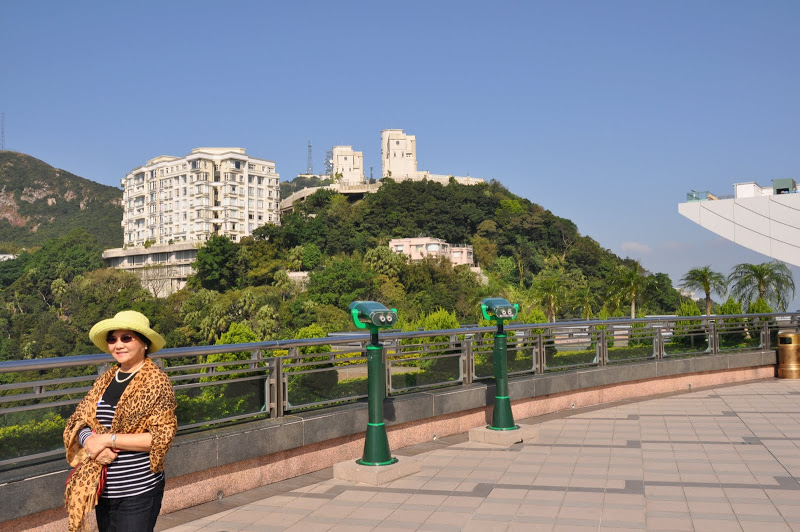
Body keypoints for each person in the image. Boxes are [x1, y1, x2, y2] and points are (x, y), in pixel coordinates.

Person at [64, 310, 177, 532]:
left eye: (126, 338)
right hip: (103, 488)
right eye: (112, 339)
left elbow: (160, 438)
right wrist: (90, 443)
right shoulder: (106, 379)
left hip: (137, 491)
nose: (118, 344)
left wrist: (108, 440)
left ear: (144, 343)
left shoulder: (157, 383)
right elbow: (79, 419)